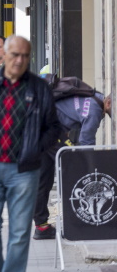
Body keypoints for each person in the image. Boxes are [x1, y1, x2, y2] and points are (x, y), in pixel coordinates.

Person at [0, 36, 59, 272]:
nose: (19, 60)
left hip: (24, 170)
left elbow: (54, 126)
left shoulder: (39, 87)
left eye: (25, 56)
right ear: (4, 55)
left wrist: (36, 147)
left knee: (19, 231)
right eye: (15, 54)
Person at [33, 78, 108, 240]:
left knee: (44, 178)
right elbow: (86, 144)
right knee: (73, 171)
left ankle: (42, 225)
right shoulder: (95, 109)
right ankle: (73, 220)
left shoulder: (95, 96)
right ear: (108, 103)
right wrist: (91, 170)